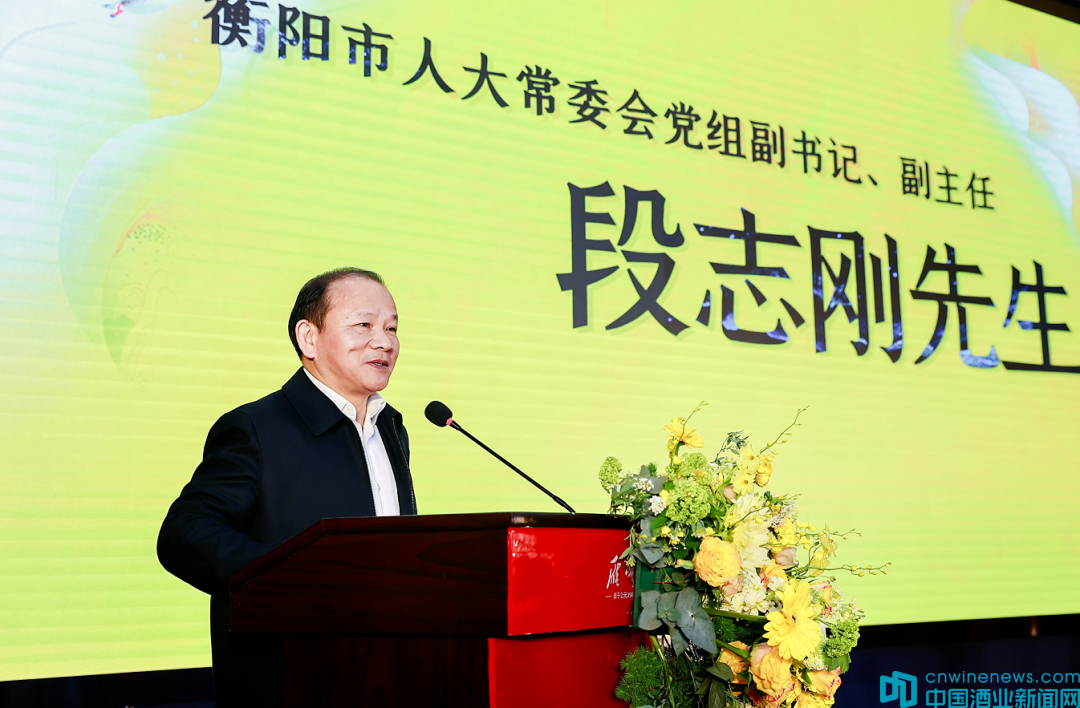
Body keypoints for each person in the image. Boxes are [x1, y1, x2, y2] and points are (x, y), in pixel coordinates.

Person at [157, 267, 417, 708]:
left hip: (386, 676)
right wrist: (300, 576)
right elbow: (185, 536)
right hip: (291, 680)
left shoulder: (390, 428)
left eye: (392, 328)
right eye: (364, 325)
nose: (384, 342)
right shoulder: (256, 428)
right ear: (308, 338)